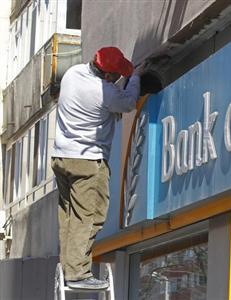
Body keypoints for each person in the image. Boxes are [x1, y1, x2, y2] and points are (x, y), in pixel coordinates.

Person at [51, 47, 145, 289]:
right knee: (91, 214)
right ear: (107, 77)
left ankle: (68, 266)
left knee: (70, 215)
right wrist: (134, 78)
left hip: (61, 157)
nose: (118, 80)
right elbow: (129, 103)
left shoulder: (73, 73)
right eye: (116, 76)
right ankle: (78, 274)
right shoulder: (104, 93)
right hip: (87, 161)